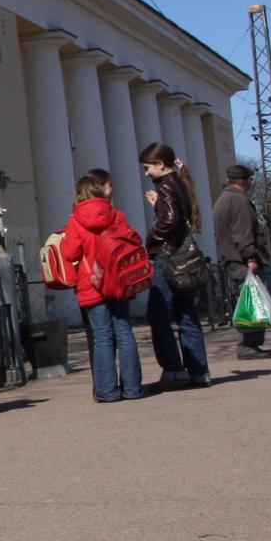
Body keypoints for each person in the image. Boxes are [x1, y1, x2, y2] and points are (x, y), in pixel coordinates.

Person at [61, 170, 145, 402]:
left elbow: (70, 252)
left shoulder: (76, 219)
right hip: (119, 279)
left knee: (102, 336)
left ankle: (107, 391)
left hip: (92, 282)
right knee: (125, 332)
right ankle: (132, 389)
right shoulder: (117, 215)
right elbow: (132, 241)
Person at [136, 142, 212, 388]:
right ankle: (198, 370)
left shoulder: (166, 186)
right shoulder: (180, 183)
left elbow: (170, 220)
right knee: (186, 313)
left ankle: (173, 370)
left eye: (148, 168)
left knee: (158, 313)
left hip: (167, 256)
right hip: (182, 256)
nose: (146, 173)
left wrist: (150, 239)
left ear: (161, 164)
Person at [212, 164, 270, 359]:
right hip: (242, 259)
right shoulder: (239, 201)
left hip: (230, 258)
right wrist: (251, 257)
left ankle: (248, 344)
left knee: (243, 300)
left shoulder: (222, 200)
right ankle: (248, 345)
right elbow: (243, 233)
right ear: (245, 181)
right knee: (251, 302)